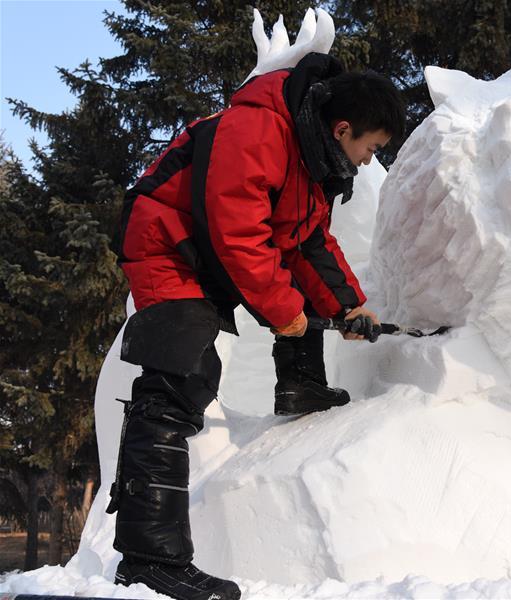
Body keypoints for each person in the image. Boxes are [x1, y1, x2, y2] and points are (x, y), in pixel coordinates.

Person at [107, 52, 405, 600]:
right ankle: (150, 557)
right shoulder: (260, 128)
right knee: (181, 376)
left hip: (211, 248)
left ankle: (300, 386)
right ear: (343, 129)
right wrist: (283, 311)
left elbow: (308, 243)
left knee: (293, 296)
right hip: (166, 240)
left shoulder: (317, 161)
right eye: (372, 148)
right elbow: (239, 233)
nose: (369, 160)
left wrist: (349, 308)